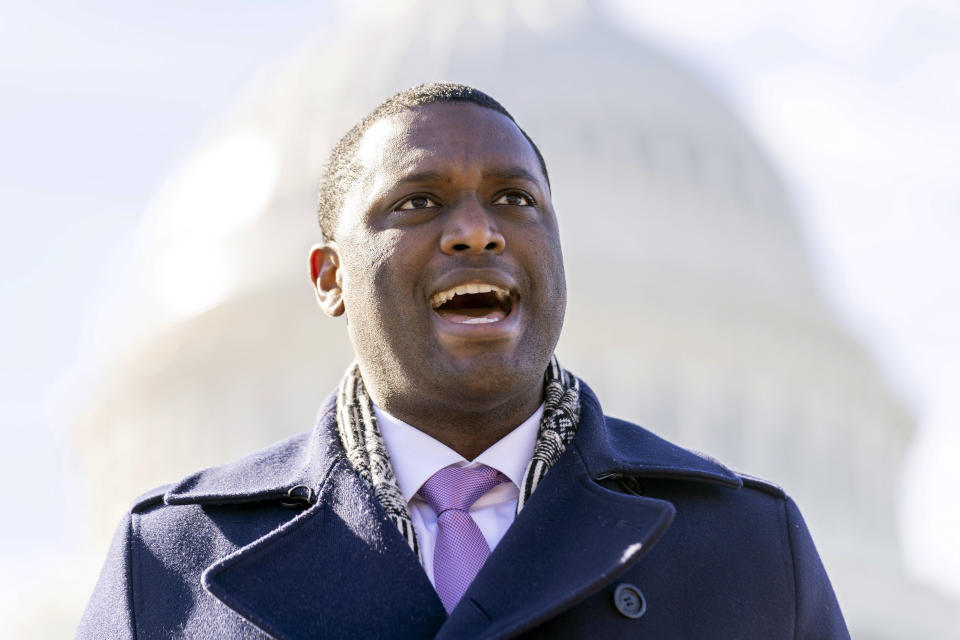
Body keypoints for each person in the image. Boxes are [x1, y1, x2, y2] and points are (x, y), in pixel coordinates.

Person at [77, 83, 849, 639]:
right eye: (417, 202)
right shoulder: (172, 563)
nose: (477, 232)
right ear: (329, 279)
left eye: (516, 199)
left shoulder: (746, 550)